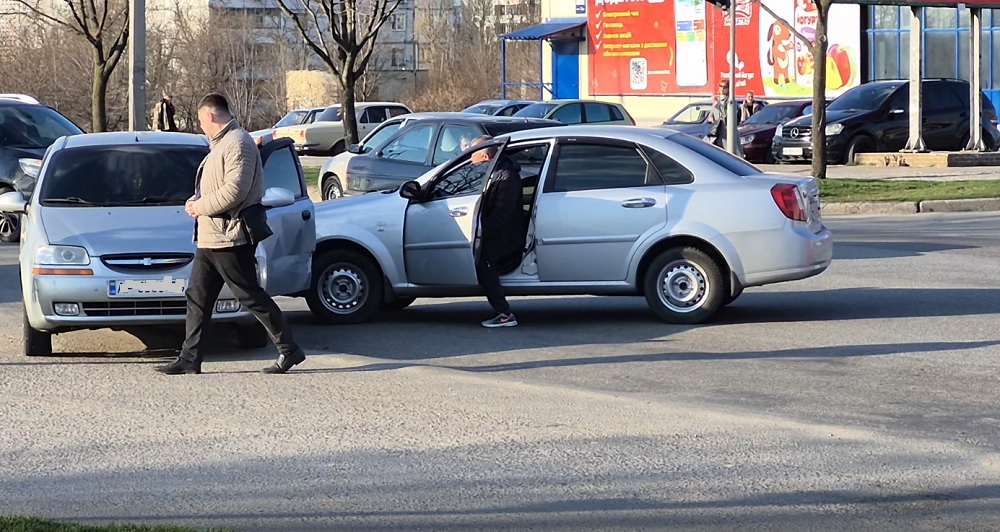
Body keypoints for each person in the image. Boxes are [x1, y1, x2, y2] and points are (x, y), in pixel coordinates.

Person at [155, 93, 306, 375]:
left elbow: (234, 191)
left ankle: (289, 349)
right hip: (210, 237)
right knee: (197, 297)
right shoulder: (221, 144)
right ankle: (190, 358)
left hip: (229, 237)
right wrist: (194, 201)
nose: (201, 126)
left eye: (201, 120)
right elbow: (214, 187)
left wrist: (199, 207)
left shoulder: (239, 143)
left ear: (210, 117)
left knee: (249, 295)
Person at [469, 135, 524, 328]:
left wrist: (481, 232)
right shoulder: (495, 173)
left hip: (506, 235)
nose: (469, 160)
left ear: (484, 158)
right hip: (499, 232)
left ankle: (504, 314)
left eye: (472, 155)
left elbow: (502, 215)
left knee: (484, 264)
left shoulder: (506, 177)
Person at [707, 80, 730, 149]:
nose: (722, 89)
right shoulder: (717, 100)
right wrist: (711, 118)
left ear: (728, 89)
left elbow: (725, 114)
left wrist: (717, 104)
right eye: (721, 86)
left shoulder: (730, 101)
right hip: (716, 131)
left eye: (725, 87)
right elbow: (712, 114)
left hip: (725, 132)